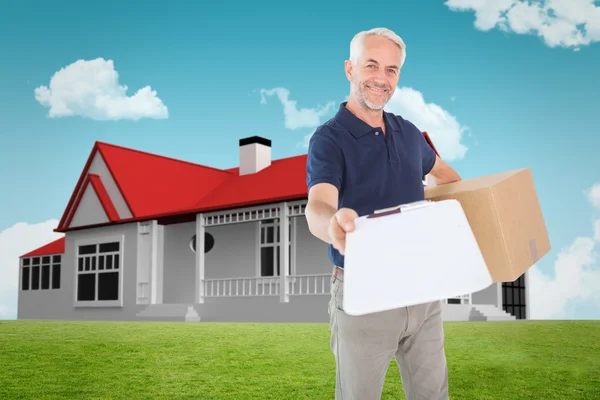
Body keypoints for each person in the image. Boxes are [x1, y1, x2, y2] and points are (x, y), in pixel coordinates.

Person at [304, 27, 462, 400]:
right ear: (350, 69)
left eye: (391, 70)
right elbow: (318, 204)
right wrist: (333, 224)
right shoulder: (329, 138)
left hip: (423, 289)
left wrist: (430, 212)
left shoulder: (408, 133)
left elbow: (449, 179)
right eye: (371, 65)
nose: (381, 78)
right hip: (365, 291)